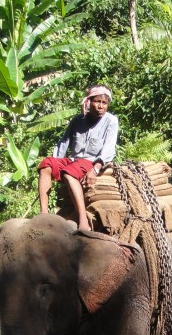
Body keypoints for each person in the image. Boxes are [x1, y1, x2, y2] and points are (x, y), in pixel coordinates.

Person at [38, 84, 118, 230]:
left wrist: (95, 169)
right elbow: (63, 143)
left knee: (69, 173)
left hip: (92, 161)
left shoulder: (110, 121)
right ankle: (43, 215)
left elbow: (109, 149)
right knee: (46, 164)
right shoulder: (78, 120)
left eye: (104, 103)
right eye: (97, 101)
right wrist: (55, 162)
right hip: (74, 160)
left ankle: (83, 220)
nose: (100, 106)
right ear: (89, 101)